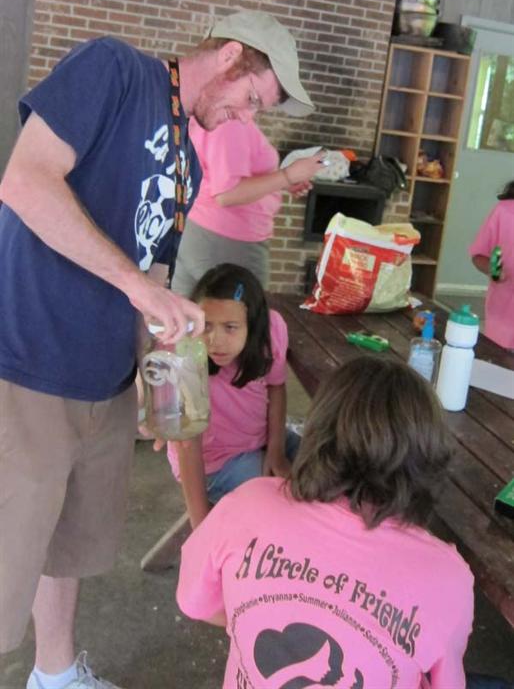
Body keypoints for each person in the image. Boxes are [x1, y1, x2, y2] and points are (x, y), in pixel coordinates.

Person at [0, 9, 316, 689]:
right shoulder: (114, 69)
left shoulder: (188, 158)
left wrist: (157, 378)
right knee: (8, 555)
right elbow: (23, 182)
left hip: (105, 381)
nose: (244, 118)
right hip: (28, 359)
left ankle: (54, 676)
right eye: (250, 100)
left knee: (70, 545)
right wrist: (133, 288)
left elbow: (157, 279)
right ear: (230, 56)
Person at [177, 355, 474, 689]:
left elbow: (197, 601)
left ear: (317, 434)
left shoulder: (247, 503)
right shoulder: (449, 578)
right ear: (427, 460)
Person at [165, 263, 299, 530]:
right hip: (214, 461)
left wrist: (276, 451)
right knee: (279, 503)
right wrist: (201, 529)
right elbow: (187, 446)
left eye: (230, 327)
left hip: (262, 438)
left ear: (253, 324)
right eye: (207, 326)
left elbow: (276, 387)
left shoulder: (271, 329)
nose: (215, 340)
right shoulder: (186, 353)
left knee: (329, 466)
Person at [172, 116, 321, 295]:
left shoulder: (219, 117)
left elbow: (222, 175)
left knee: (188, 316)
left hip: (200, 231)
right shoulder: (230, 123)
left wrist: (283, 182)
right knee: (247, 317)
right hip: (231, 240)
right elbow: (227, 194)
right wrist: (288, 175)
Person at [469, 179, 514, 350]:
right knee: (501, 367)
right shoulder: (504, 211)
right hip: (503, 318)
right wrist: (493, 269)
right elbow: (479, 256)